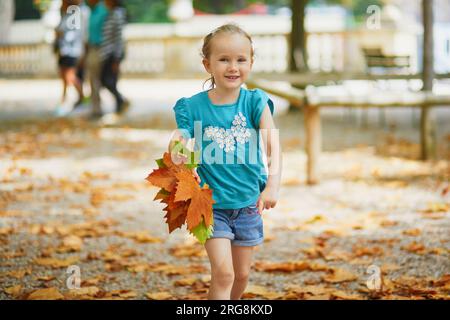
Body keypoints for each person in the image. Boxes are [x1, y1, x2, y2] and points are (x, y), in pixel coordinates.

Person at [168, 24, 282, 300]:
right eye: (224, 59)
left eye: (241, 59)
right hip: (211, 205)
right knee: (224, 274)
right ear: (207, 64)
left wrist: (272, 186)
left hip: (247, 204)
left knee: (241, 276)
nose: (233, 67)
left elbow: (273, 147)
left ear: (251, 63)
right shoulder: (193, 106)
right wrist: (176, 148)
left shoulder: (255, 102)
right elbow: (180, 137)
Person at [54, 0, 86, 115]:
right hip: (64, 51)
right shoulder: (66, 14)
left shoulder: (76, 13)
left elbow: (74, 34)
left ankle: (82, 98)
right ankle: (64, 100)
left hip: (71, 51)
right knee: (64, 77)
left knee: (70, 77)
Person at [100, 0, 129, 116]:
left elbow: (118, 38)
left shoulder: (117, 14)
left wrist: (116, 58)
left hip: (113, 53)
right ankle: (119, 103)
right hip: (108, 52)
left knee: (107, 80)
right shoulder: (111, 13)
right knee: (109, 80)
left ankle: (121, 101)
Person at [85, 0, 108, 119]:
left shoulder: (104, 10)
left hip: (101, 49)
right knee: (93, 80)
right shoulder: (91, 11)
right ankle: (95, 108)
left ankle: (97, 108)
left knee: (98, 80)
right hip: (92, 49)